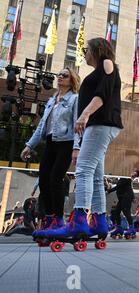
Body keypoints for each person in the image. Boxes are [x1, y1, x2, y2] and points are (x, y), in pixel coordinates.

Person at [44, 38, 123, 248]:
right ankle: (99, 222)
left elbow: (103, 95)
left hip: (101, 124)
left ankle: (79, 220)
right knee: (96, 176)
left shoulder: (107, 63)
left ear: (97, 50)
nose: (84, 53)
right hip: (98, 125)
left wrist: (84, 115)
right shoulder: (102, 67)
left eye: (85, 49)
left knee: (83, 170)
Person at [21, 68, 80, 239]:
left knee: (56, 179)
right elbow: (41, 126)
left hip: (66, 143)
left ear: (72, 80)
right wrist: (29, 145)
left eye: (65, 75)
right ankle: (48, 218)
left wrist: (76, 147)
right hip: (50, 142)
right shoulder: (52, 100)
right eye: (59, 75)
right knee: (44, 179)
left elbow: (77, 124)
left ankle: (59, 220)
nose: (60, 77)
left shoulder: (75, 99)